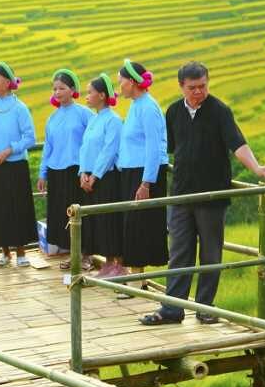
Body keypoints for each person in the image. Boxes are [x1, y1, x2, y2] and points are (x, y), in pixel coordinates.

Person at [140, 61, 265, 326]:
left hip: (212, 196)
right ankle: (172, 309)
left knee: (211, 254)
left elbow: (238, 144)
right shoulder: (173, 112)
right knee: (179, 252)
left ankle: (205, 308)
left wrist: (257, 168)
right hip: (180, 194)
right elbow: (166, 147)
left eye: (203, 86)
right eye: (192, 88)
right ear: (181, 87)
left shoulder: (219, 111)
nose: (198, 92)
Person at [117, 59, 169, 296]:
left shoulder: (148, 108)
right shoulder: (136, 105)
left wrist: (146, 182)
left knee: (138, 226)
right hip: (131, 172)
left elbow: (153, 148)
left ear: (132, 82)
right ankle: (137, 277)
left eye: (121, 82)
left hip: (143, 174)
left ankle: (138, 281)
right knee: (131, 226)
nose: (119, 88)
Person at [0, 61, 37, 267]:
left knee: (17, 207)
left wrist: (9, 149)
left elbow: (30, 137)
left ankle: (21, 252)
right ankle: (4, 252)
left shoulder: (19, 108)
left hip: (15, 166)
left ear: (6, 82)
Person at [36, 69, 93, 270]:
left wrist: (88, 170)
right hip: (56, 171)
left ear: (73, 90)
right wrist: (43, 172)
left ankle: (86, 255)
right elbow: (48, 147)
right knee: (62, 214)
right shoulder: (52, 118)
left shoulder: (85, 114)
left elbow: (92, 143)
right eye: (55, 89)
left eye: (62, 88)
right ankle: (72, 254)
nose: (57, 92)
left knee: (79, 214)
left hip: (77, 171)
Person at [79, 74, 124, 276]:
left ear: (102, 95)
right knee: (96, 222)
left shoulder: (113, 120)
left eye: (90, 92)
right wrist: (82, 173)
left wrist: (95, 176)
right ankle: (107, 263)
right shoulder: (93, 119)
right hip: (89, 178)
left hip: (106, 178)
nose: (86, 96)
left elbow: (109, 151)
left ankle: (117, 265)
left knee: (109, 221)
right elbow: (84, 148)